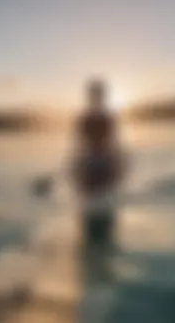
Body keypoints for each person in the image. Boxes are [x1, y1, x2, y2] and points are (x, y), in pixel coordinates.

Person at [71, 79, 125, 244]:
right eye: (93, 94)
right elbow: (79, 145)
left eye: (98, 94)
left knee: (106, 224)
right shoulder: (84, 118)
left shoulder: (107, 118)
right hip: (90, 163)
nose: (95, 97)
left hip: (104, 163)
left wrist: (116, 169)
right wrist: (78, 173)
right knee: (89, 226)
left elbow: (114, 143)